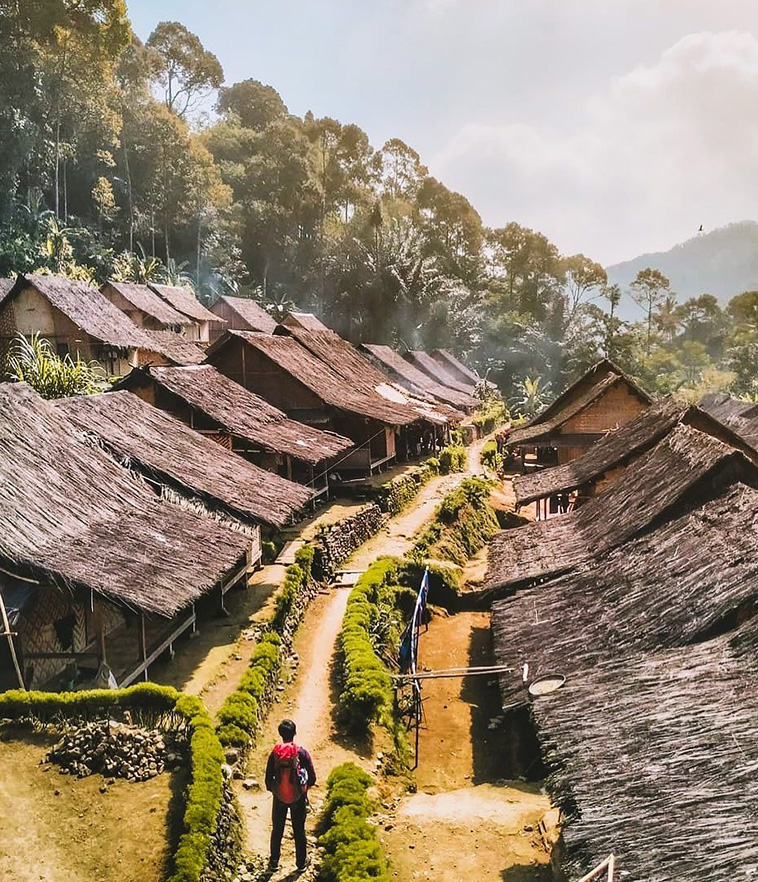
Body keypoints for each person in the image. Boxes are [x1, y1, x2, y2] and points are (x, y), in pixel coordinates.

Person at [265, 718, 316, 873]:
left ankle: (274, 862)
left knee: (277, 829)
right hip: (298, 798)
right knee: (299, 830)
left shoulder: (275, 753)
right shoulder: (302, 753)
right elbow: (313, 777)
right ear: (295, 733)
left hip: (279, 797)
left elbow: (268, 779)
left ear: (280, 734)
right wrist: (303, 789)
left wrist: (276, 789)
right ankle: (301, 864)